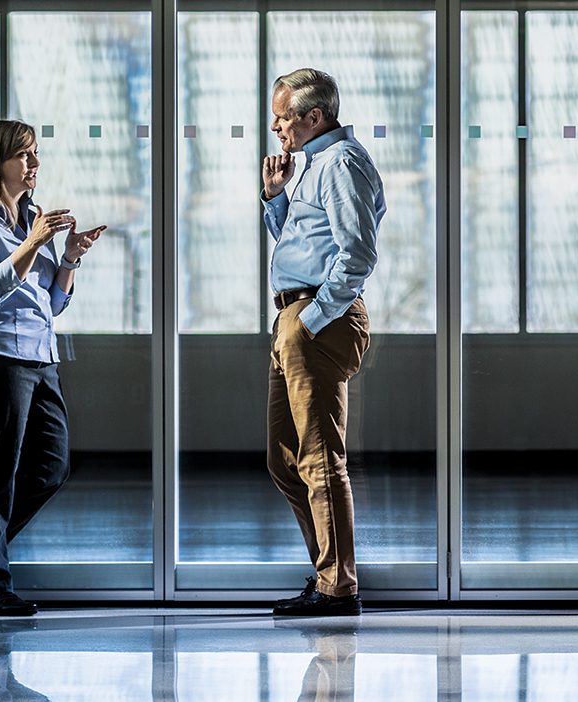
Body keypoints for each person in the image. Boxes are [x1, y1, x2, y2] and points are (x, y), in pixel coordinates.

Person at [0, 119, 106, 617]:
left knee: (51, 464)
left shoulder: (31, 217)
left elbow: (49, 304)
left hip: (37, 353)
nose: (34, 164)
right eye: (23, 155)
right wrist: (32, 245)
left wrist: (69, 258)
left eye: (35, 154)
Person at [262, 69, 385, 617]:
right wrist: (274, 197)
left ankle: (338, 588)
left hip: (316, 319)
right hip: (296, 316)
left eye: (283, 117)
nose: (276, 127)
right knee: (285, 459)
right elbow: (304, 241)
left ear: (314, 117)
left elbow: (357, 253)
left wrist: (311, 319)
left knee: (318, 457)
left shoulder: (342, 164)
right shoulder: (316, 165)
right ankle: (328, 576)